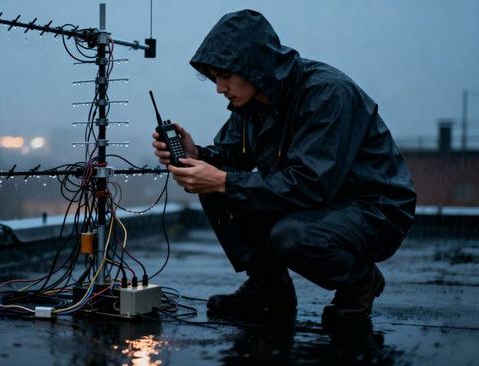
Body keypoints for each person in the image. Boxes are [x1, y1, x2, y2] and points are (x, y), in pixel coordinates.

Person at [152, 9, 416, 323]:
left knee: (292, 235)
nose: (219, 88)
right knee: (216, 185)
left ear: (251, 66)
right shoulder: (251, 102)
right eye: (215, 78)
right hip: (321, 200)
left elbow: (310, 184)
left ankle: (360, 282)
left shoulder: (327, 93)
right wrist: (197, 155)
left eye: (225, 76)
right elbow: (230, 159)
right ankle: (269, 286)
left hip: (375, 207)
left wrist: (223, 180)